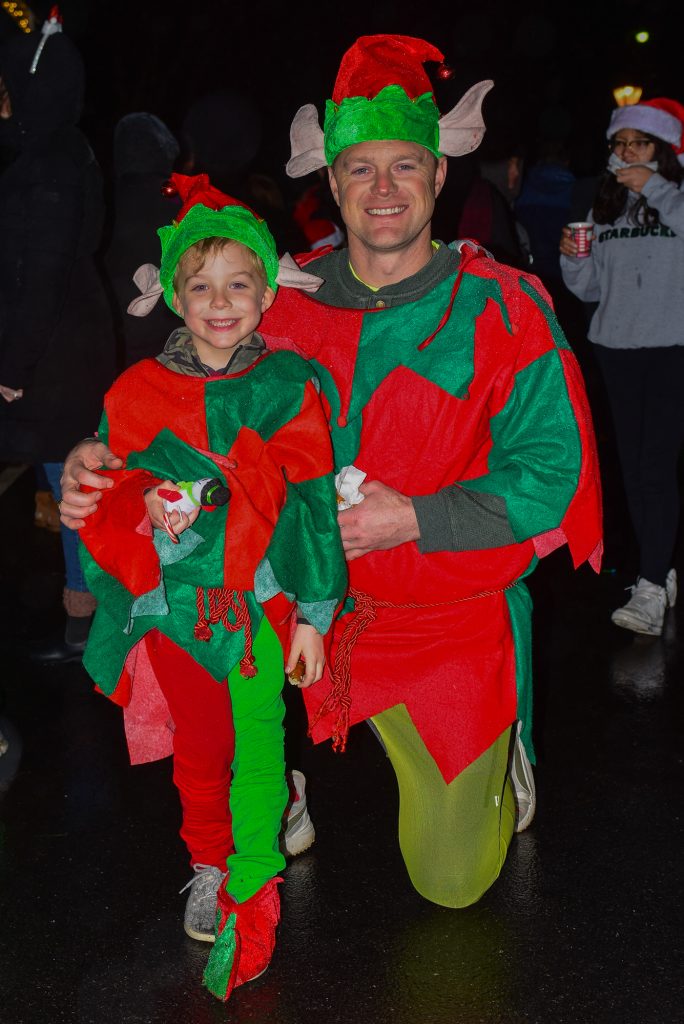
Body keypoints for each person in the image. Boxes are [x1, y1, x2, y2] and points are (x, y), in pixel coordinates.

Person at [60, 35, 602, 915]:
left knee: (453, 883)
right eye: (359, 168)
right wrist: (100, 452)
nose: (383, 187)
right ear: (332, 179)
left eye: (404, 165)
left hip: (444, 618)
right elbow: (183, 390)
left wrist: (415, 517)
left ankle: (501, 747)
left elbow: (552, 475)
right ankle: (278, 781)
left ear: (439, 173)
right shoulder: (283, 296)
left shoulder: (505, 309)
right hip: (298, 606)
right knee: (203, 657)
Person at [76, 172, 346, 1000]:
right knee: (202, 745)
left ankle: (254, 870)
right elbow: (109, 479)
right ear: (173, 295)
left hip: (260, 601)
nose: (220, 303)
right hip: (180, 610)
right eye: (201, 286)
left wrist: (314, 612)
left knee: (257, 736)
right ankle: (208, 858)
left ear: (268, 292)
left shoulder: (287, 385)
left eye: (238, 285)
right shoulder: (137, 392)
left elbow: (312, 505)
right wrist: (113, 488)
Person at [0, 13, 116, 661]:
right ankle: (87, 613)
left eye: (9, 87)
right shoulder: (60, 152)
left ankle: (88, 618)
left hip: (54, 355)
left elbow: (40, 273)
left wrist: (13, 365)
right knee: (73, 478)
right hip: (65, 345)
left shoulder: (48, 164)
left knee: (74, 481)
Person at [560, 97, 684, 636]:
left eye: (640, 142)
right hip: (616, 346)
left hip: (673, 345)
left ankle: (651, 584)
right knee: (633, 470)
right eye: (620, 143)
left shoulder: (675, 194)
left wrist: (654, 187)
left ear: (663, 148)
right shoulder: (604, 203)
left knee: (655, 466)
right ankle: (658, 568)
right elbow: (588, 288)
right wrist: (573, 257)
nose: (628, 152)